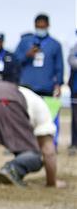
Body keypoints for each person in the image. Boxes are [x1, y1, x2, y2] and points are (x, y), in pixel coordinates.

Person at [15, 14, 64, 145]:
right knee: (25, 117)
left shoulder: (55, 45)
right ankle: (23, 144)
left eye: (43, 26)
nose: (41, 28)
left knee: (48, 119)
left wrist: (59, 84)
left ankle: (51, 144)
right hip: (27, 87)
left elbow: (59, 66)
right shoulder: (25, 42)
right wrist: (27, 55)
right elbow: (14, 62)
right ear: (34, 25)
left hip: (46, 88)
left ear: (48, 26)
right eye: (38, 26)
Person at [69, 33, 77, 155]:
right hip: (76, 90)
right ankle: (75, 143)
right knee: (75, 119)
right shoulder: (74, 49)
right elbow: (72, 62)